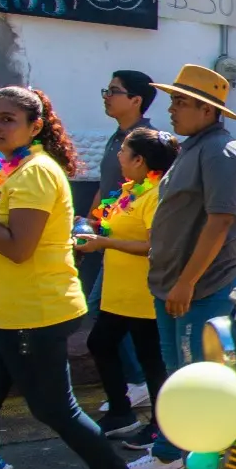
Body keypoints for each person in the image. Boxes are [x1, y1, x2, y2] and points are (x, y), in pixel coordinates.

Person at [0, 87, 138, 469]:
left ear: (34, 127)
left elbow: (19, 249)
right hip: (1, 313)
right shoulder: (11, 169)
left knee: (57, 411)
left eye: (7, 119)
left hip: (34, 314)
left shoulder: (35, 172)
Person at [126, 65, 236, 469]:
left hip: (203, 287)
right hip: (173, 286)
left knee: (203, 378)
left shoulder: (221, 152)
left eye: (181, 102)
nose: (172, 109)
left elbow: (221, 221)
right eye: (173, 100)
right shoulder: (193, 147)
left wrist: (186, 281)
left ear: (207, 110)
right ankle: (170, 451)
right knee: (178, 374)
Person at [75, 129, 177, 447]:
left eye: (123, 151)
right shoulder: (130, 190)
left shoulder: (156, 195)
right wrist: (92, 228)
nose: (118, 156)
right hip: (118, 293)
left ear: (139, 160)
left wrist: (104, 243)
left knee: (152, 361)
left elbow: (153, 246)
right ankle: (121, 413)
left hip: (143, 294)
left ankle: (162, 427)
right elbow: (118, 227)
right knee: (100, 343)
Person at [85, 71, 155, 415]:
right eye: (107, 89)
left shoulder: (146, 141)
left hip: (131, 242)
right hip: (109, 236)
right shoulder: (117, 137)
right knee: (108, 314)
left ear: (136, 100)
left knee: (108, 313)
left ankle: (138, 382)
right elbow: (108, 184)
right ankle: (134, 384)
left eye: (113, 91)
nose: (106, 96)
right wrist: (92, 216)